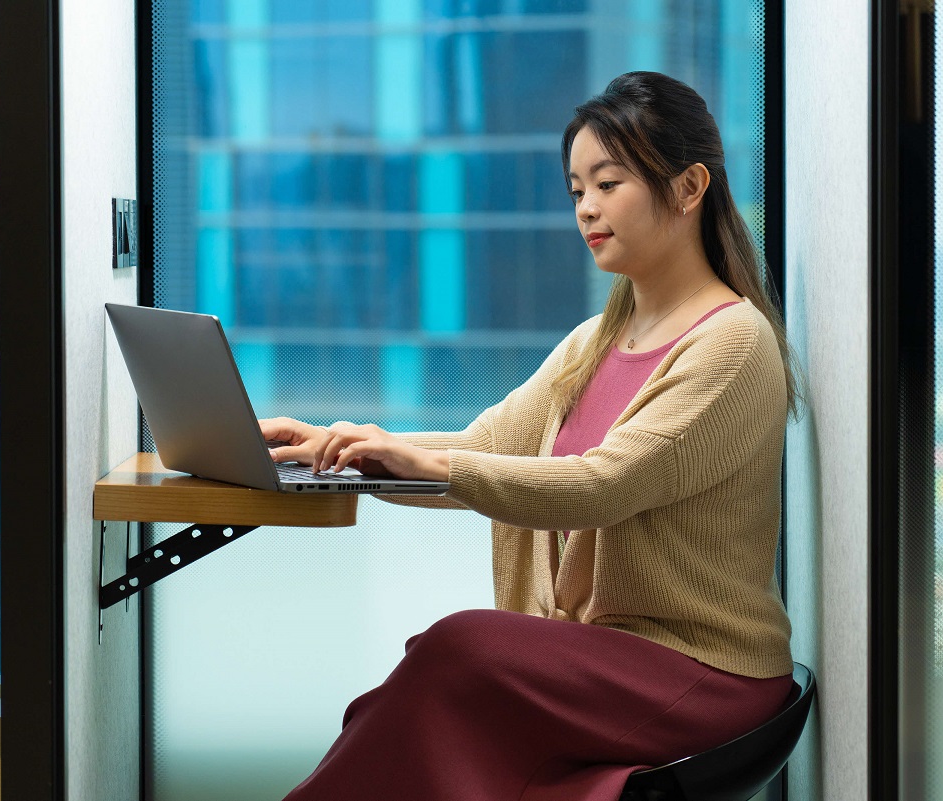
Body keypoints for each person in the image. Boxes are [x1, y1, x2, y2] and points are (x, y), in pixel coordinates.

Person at [261, 71, 801, 801]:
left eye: (608, 183)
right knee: (436, 680)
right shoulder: (597, 338)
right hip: (608, 662)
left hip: (700, 670)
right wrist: (339, 446)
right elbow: (489, 442)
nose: (587, 208)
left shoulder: (731, 343)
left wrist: (429, 463)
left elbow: (606, 485)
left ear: (690, 185)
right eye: (577, 188)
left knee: (457, 652)